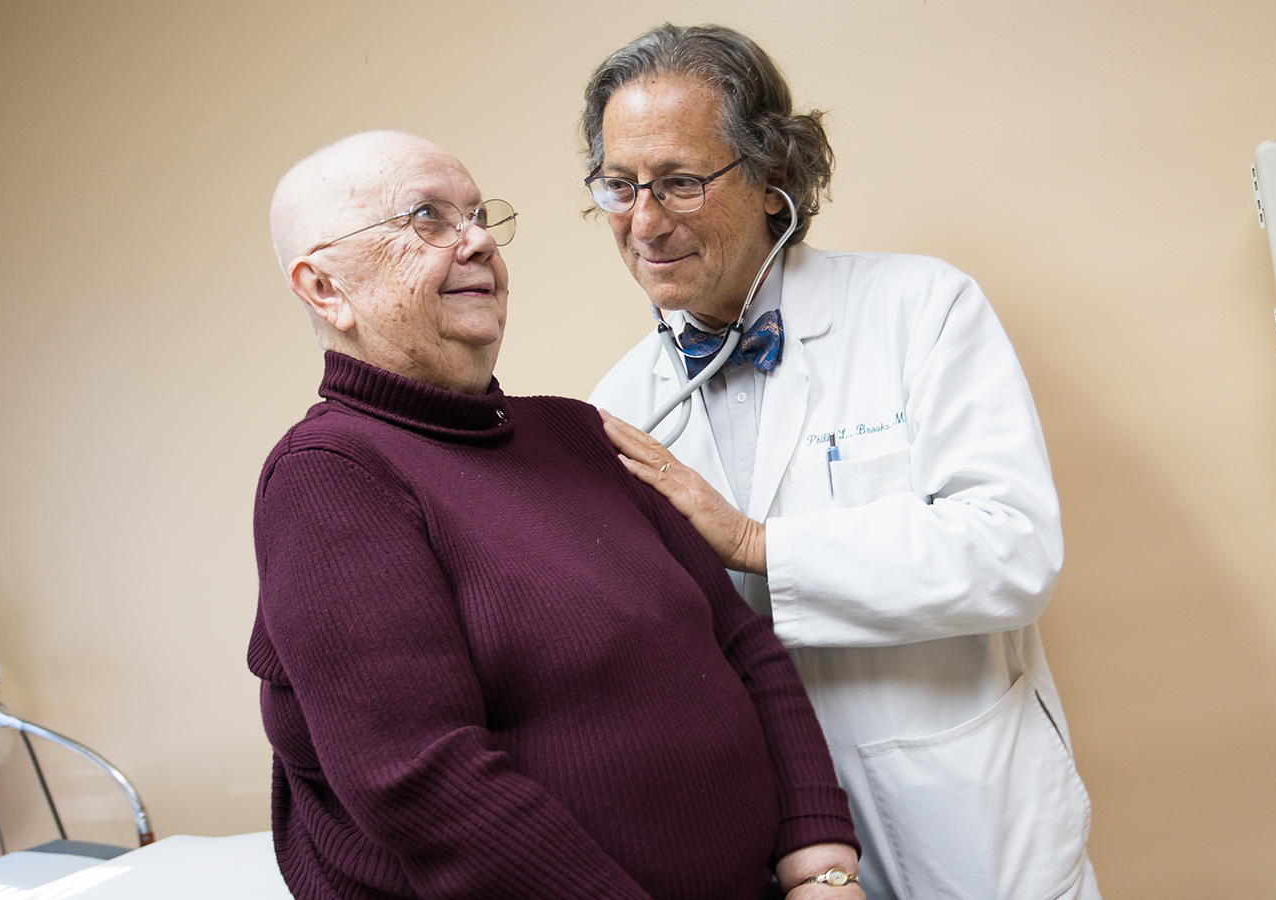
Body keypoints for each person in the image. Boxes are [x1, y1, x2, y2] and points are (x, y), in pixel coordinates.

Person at [249, 130, 863, 900]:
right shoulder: (330, 477)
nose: (476, 241)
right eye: (427, 219)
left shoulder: (577, 431)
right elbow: (423, 779)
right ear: (325, 288)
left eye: (477, 215)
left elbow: (743, 648)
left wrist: (821, 864)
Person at [584, 25, 1100, 900]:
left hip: (970, 817)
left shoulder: (920, 309)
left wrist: (755, 542)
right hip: (781, 848)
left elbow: (1012, 552)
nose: (643, 222)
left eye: (679, 182)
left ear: (771, 180)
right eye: (618, 186)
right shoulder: (622, 408)